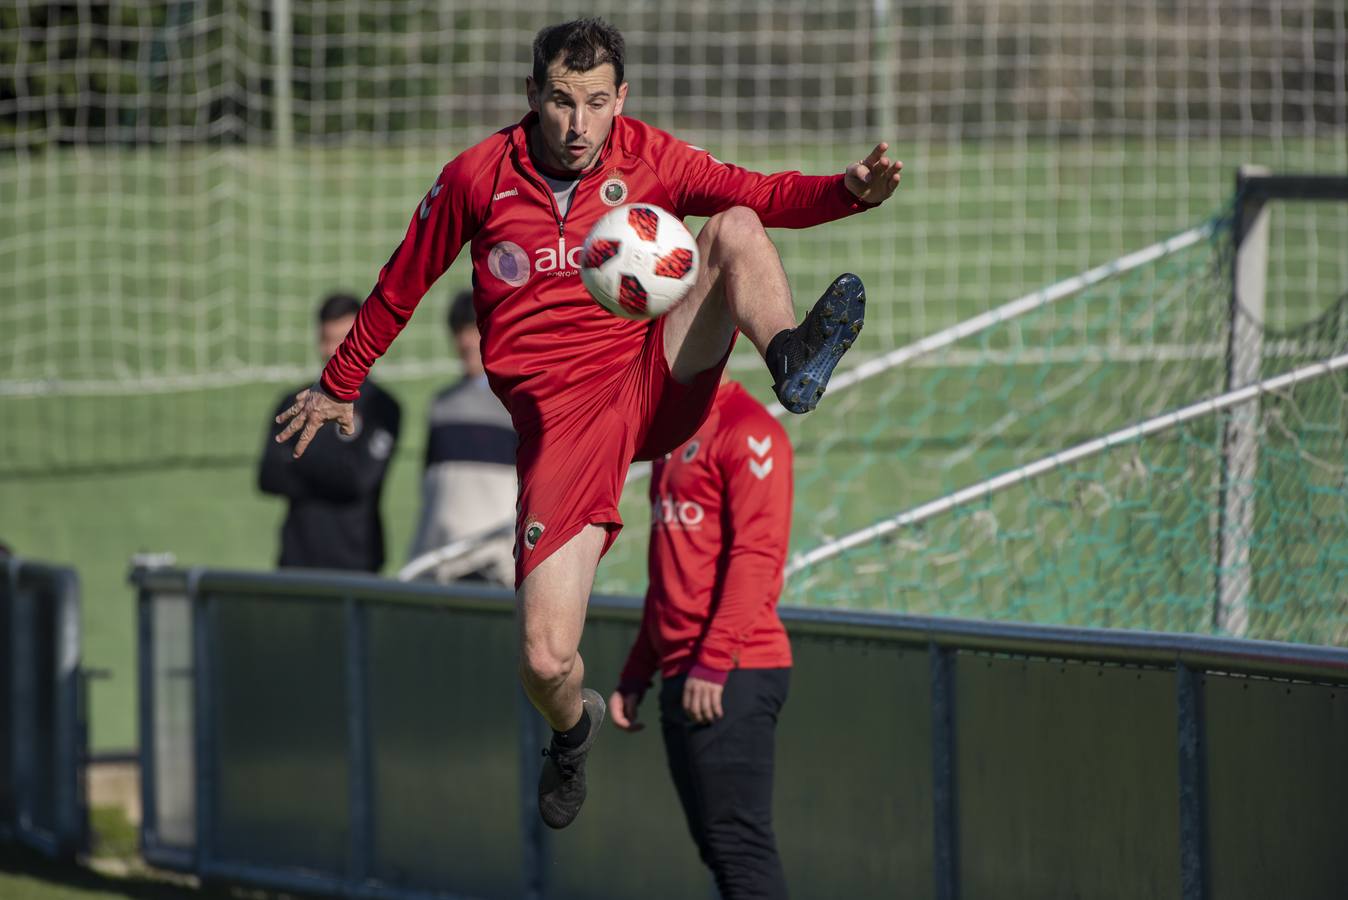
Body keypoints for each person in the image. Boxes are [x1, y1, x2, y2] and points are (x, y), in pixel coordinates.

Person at [274, 18, 902, 829]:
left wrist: (846, 193)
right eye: (562, 102)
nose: (579, 125)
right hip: (563, 432)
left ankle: (791, 359)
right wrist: (341, 380)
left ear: (621, 100)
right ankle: (572, 736)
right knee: (544, 659)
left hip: (650, 378)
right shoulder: (476, 177)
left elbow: (764, 190)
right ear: (531, 95)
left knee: (736, 227)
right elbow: (402, 282)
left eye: (597, 103)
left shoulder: (651, 156)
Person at [610, 379, 794, 898]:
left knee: (740, 849)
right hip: (683, 670)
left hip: (734, 670)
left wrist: (713, 661)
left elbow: (758, 556)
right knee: (717, 848)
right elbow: (670, 569)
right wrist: (636, 673)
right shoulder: (672, 430)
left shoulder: (749, 428)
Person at [259, 293, 401, 572]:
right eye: (327, 340)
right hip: (297, 559)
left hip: (357, 562)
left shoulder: (382, 406)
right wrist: (336, 465)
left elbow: (358, 480)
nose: (334, 351)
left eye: (343, 341)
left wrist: (300, 462)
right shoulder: (295, 401)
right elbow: (268, 476)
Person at [408, 289, 517, 585]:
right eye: (460, 332)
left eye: (474, 331)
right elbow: (432, 489)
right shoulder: (440, 406)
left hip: (497, 565)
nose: (466, 342)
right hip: (441, 563)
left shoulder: (518, 404)